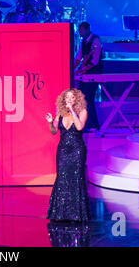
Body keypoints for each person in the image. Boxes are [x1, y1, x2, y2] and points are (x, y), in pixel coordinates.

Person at [45, 88, 91, 222]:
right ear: (63, 100)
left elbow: (79, 127)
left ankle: (77, 214)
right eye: (67, 98)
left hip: (77, 149)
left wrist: (72, 111)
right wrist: (49, 121)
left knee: (76, 178)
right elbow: (53, 131)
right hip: (63, 150)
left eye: (72, 97)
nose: (69, 100)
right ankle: (60, 214)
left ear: (76, 99)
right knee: (62, 178)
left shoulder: (82, 112)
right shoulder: (60, 113)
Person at [74, 22, 103, 131]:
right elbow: (78, 58)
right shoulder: (83, 42)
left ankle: (93, 125)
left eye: (81, 31)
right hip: (85, 74)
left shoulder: (96, 40)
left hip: (93, 73)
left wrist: (80, 70)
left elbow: (94, 61)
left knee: (88, 99)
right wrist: (72, 69)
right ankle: (86, 124)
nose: (79, 33)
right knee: (82, 99)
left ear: (87, 29)